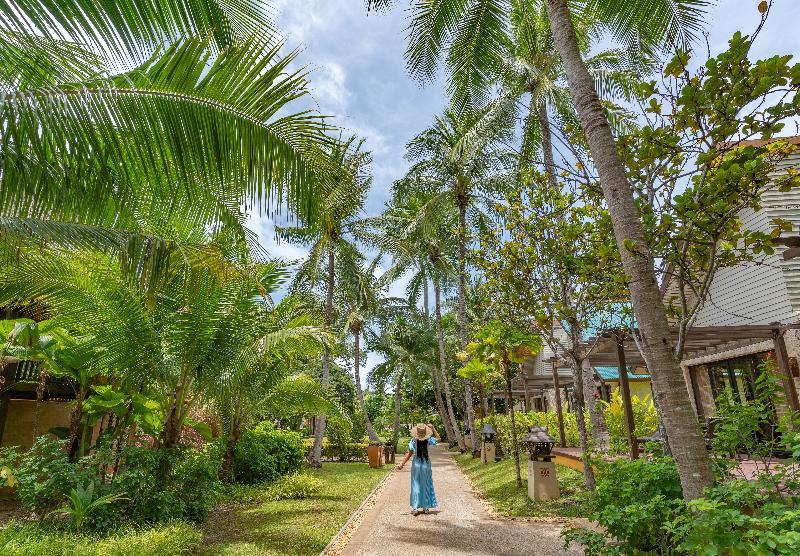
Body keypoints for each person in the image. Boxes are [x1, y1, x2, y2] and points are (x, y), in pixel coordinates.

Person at [395, 422, 441, 516]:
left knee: (415, 485)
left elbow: (409, 453)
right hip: (426, 464)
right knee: (426, 484)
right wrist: (434, 428)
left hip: (416, 464)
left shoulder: (413, 441)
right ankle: (426, 507)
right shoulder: (428, 440)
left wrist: (402, 464)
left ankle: (415, 508)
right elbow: (439, 439)